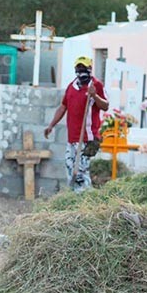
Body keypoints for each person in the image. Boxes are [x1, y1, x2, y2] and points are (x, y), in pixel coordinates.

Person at [44, 56, 108, 193]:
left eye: (84, 68)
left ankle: (85, 198)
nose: (81, 71)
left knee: (80, 171)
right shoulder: (72, 86)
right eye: (79, 68)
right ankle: (73, 195)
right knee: (69, 167)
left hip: (88, 137)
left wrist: (95, 96)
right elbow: (63, 107)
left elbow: (105, 106)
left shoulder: (96, 85)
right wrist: (51, 125)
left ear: (90, 69)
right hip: (72, 138)